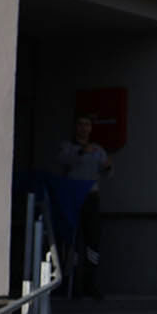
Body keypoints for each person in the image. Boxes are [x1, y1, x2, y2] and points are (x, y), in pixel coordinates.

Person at [55, 115, 112, 296]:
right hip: (73, 196)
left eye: (87, 124)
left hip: (91, 197)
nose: (84, 128)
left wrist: (107, 166)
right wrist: (81, 152)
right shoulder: (67, 147)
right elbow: (63, 161)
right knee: (71, 240)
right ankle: (70, 283)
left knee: (92, 240)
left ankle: (90, 283)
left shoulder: (97, 150)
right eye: (80, 124)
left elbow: (106, 171)